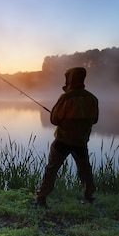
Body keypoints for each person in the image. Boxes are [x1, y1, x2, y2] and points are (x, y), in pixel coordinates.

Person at [35, 67, 99, 208]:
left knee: (51, 169)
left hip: (63, 141)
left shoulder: (66, 98)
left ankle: (41, 198)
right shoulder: (92, 98)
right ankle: (89, 197)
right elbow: (95, 120)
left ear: (69, 79)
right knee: (85, 169)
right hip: (81, 141)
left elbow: (54, 120)